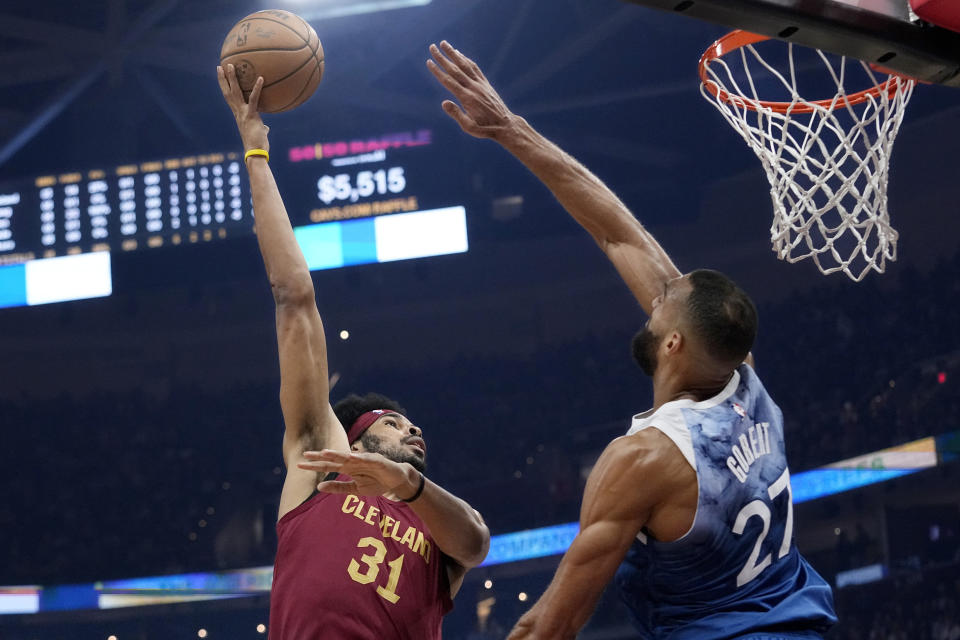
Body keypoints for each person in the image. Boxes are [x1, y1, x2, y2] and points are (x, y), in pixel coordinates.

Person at [427, 41, 837, 639]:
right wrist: (509, 129)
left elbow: (551, 626)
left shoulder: (643, 459)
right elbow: (619, 233)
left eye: (661, 301)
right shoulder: (743, 378)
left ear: (673, 343)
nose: (654, 295)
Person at [217, 63, 490, 640]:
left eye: (414, 427)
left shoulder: (438, 530)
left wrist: (405, 486)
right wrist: (256, 152)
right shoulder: (321, 465)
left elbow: (476, 542)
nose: (414, 432)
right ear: (356, 439)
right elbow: (294, 297)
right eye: (394, 425)